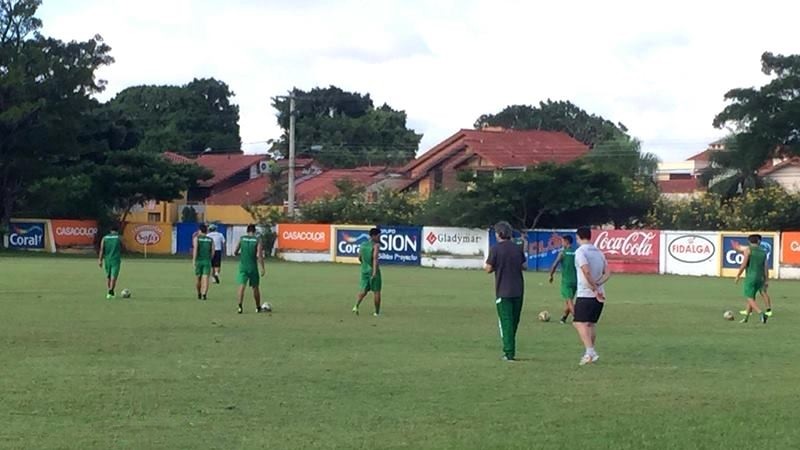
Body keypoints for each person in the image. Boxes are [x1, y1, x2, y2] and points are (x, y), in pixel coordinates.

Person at [485, 221, 527, 361]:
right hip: (518, 289)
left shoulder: (495, 249)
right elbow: (524, 266)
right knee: (514, 321)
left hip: (503, 290)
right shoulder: (517, 248)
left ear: (498, 234)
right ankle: (510, 348)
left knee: (506, 322)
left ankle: (509, 353)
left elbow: (488, 269)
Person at [573, 227, 610, 366]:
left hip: (586, 293)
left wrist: (594, 288)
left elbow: (586, 272)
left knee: (578, 322)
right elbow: (607, 273)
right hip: (599, 295)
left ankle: (590, 352)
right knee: (590, 324)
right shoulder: (599, 252)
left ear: (578, 237)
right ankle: (589, 354)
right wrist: (599, 285)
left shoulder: (580, 252)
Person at [733, 239, 773, 317]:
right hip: (761, 277)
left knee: (749, 296)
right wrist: (766, 279)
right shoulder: (763, 252)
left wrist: (738, 275)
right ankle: (752, 311)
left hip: (751, 276)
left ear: (749, 241)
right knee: (762, 292)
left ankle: (760, 313)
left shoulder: (748, 250)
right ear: (759, 242)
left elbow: (744, 265)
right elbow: (765, 267)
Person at [234, 224, 267, 314]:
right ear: (254, 231)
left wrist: (239, 254)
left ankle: (240, 307)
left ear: (247, 231)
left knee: (241, 286)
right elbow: (259, 255)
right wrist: (262, 268)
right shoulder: (257, 240)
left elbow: (235, 251)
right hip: (253, 267)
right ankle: (257, 307)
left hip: (243, 266)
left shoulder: (242, 238)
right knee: (255, 287)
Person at [353, 228, 382, 316]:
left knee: (364, 290)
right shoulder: (376, 245)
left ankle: (356, 306)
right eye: (378, 236)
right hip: (373, 271)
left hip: (364, 270)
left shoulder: (362, 244)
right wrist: (374, 272)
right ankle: (376, 312)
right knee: (377, 291)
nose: (379, 238)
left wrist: (364, 265)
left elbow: (359, 258)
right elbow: (375, 259)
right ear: (373, 236)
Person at [548, 235, 577, 324]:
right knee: (569, 300)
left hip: (566, 281)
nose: (562, 243)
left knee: (569, 301)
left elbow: (554, 265)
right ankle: (564, 318)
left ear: (566, 242)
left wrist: (551, 275)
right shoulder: (576, 252)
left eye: (563, 241)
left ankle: (577, 318)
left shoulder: (562, 253)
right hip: (576, 281)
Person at [98, 224, 122, 299]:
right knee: (113, 276)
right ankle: (111, 291)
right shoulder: (119, 237)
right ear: (117, 231)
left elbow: (102, 249)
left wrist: (100, 260)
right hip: (115, 259)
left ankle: (110, 291)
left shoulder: (104, 238)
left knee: (108, 276)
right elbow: (124, 245)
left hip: (107, 259)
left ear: (110, 231)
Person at [193, 224, 213, 300]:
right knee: (206, 278)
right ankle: (204, 294)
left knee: (198, 278)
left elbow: (195, 249)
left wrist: (194, 260)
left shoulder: (197, 238)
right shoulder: (210, 240)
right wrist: (209, 258)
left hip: (199, 260)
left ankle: (199, 293)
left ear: (200, 231)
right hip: (207, 261)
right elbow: (212, 251)